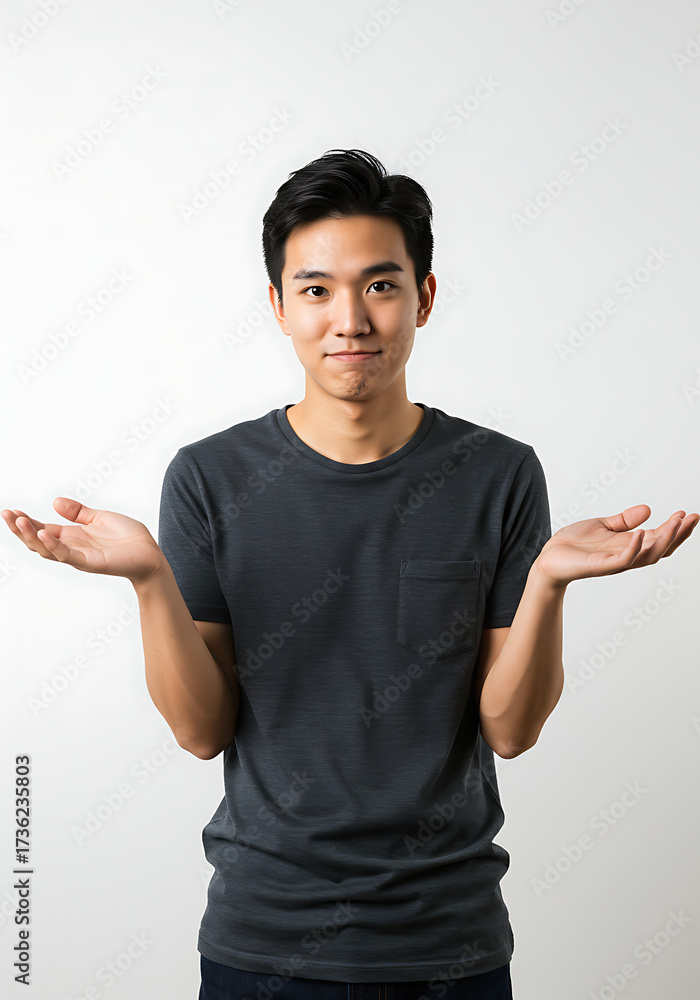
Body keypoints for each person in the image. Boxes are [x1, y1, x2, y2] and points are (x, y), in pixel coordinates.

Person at [2, 149, 696, 1000]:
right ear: (278, 306)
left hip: (451, 945)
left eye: (380, 285)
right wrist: (150, 581)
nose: (351, 320)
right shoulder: (210, 478)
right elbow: (201, 731)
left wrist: (549, 581)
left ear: (424, 297)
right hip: (263, 942)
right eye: (316, 290)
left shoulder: (499, 474)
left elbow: (510, 732)